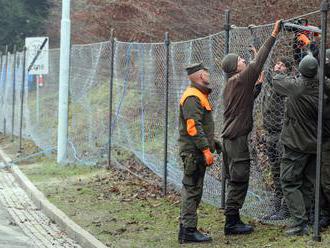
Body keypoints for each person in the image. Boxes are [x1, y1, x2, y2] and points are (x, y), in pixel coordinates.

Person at [220, 20, 282, 235]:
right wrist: (273, 35)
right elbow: (259, 62)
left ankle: (233, 218)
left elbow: (246, 102)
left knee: (235, 179)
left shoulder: (232, 84)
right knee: (239, 179)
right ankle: (231, 223)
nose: (243, 59)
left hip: (230, 139)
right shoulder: (239, 79)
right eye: (239, 59)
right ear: (233, 67)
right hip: (236, 140)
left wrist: (259, 85)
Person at [272, 54, 319, 236]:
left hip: (296, 143)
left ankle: (300, 223)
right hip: (314, 143)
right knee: (306, 183)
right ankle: (306, 219)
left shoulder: (297, 87)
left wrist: (281, 72)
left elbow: (277, 80)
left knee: (289, 181)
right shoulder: (323, 84)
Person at [178, 62, 221, 244]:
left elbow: (201, 124)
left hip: (196, 151)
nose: (208, 75)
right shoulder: (192, 97)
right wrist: (205, 149)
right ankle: (188, 231)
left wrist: (213, 143)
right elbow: (193, 127)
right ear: (201, 76)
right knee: (192, 190)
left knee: (193, 189)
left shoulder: (198, 95)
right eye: (206, 73)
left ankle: (186, 230)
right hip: (194, 154)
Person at [261, 57, 293, 221]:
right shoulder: (271, 82)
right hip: (270, 135)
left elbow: (266, 70)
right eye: (277, 63)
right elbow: (264, 66)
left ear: (287, 70)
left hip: (281, 135)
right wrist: (257, 51)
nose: (278, 66)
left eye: (282, 65)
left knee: (283, 172)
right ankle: (277, 208)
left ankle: (286, 210)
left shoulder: (283, 83)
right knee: (275, 172)